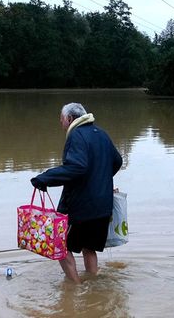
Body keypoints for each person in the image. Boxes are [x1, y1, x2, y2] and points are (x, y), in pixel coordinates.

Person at [31, 102, 123, 283]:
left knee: (60, 246)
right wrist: (100, 181)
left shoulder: (76, 136)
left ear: (70, 119)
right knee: (89, 247)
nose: (61, 124)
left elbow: (77, 167)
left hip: (82, 206)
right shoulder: (101, 134)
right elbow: (117, 161)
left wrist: (45, 178)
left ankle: (75, 288)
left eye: (61, 120)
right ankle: (94, 287)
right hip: (103, 205)